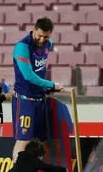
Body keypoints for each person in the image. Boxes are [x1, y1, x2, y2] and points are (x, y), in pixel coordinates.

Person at [11, 17, 63, 163]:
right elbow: (28, 75)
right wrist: (51, 85)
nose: (42, 39)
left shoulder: (48, 44)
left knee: (43, 141)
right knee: (23, 140)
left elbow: (39, 69)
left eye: (45, 37)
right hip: (24, 100)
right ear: (34, 29)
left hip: (40, 100)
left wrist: (45, 88)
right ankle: (17, 169)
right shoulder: (22, 47)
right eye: (39, 35)